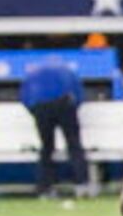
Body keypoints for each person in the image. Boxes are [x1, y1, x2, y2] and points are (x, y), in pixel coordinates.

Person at [18, 46, 88, 200]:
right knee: (74, 145)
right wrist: (73, 107)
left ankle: (45, 188)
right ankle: (81, 184)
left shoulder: (33, 73)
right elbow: (79, 94)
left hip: (41, 107)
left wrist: (34, 111)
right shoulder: (67, 71)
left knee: (47, 148)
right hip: (65, 105)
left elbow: (24, 96)